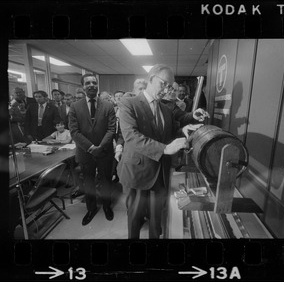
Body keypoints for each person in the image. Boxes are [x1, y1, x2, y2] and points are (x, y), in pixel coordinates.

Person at [117, 64, 209, 239]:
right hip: (137, 173)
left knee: (156, 218)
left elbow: (171, 132)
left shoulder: (166, 109)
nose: (167, 90)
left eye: (170, 86)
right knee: (135, 219)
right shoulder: (128, 104)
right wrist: (165, 148)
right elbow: (131, 136)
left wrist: (184, 129)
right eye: (164, 84)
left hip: (160, 173)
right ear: (151, 79)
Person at [69, 73, 116, 226]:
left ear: (97, 86)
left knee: (106, 181)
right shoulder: (75, 107)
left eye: (94, 83)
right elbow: (74, 132)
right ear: (83, 86)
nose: (91, 85)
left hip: (105, 152)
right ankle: (91, 209)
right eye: (88, 83)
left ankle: (107, 207)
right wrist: (90, 148)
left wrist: (100, 147)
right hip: (85, 152)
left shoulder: (108, 106)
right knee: (88, 183)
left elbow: (111, 130)